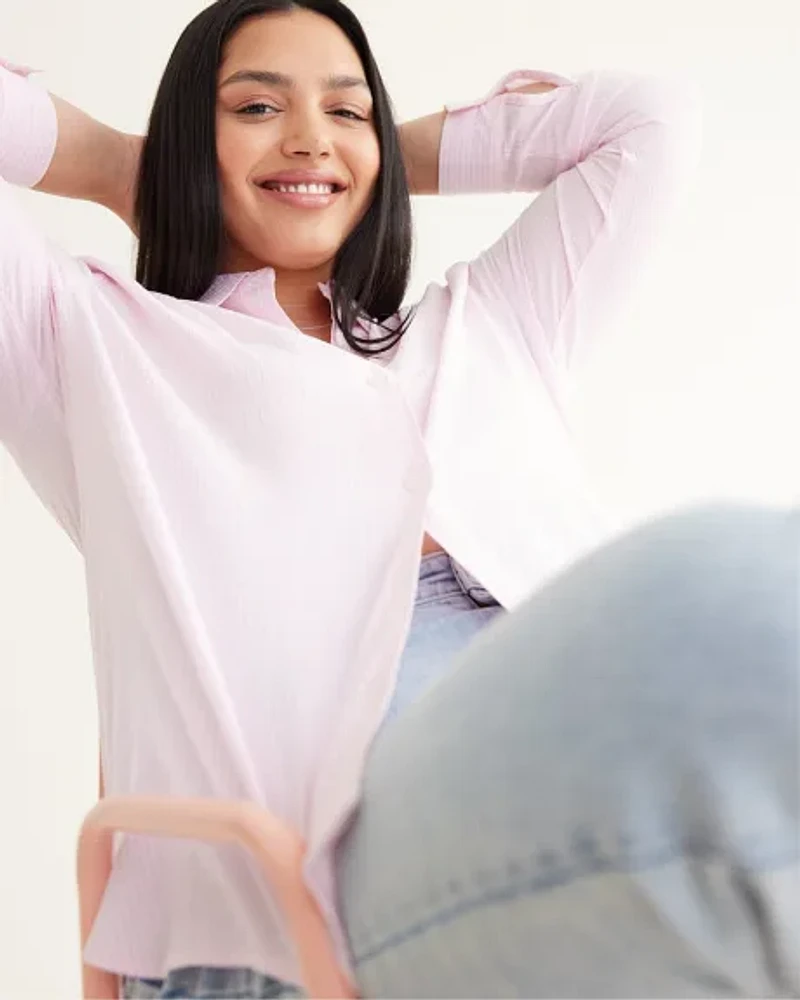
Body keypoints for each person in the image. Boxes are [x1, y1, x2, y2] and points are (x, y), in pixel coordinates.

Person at [1, 0, 797, 997]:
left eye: (345, 109)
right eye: (254, 107)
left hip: (563, 750)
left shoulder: (490, 322)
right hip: (318, 871)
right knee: (742, 582)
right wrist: (129, 168)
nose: (305, 134)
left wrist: (361, 166)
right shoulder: (90, 346)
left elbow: (648, 121)